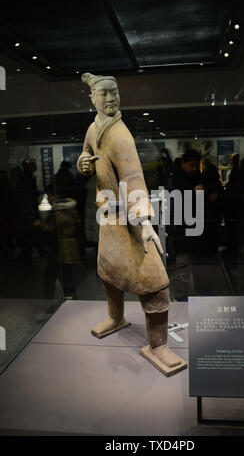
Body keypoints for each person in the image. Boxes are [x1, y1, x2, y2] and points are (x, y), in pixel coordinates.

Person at [77, 72, 186, 376]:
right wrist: (83, 162)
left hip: (131, 218)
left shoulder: (120, 135)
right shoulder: (93, 128)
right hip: (109, 216)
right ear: (92, 98)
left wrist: (145, 222)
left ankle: (158, 344)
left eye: (115, 93)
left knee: (154, 283)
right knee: (109, 271)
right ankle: (116, 317)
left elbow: (133, 179)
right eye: (104, 94)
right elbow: (86, 154)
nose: (110, 99)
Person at [34, 184, 81, 300]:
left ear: (55, 195)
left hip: (59, 249)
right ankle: (71, 298)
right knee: (67, 276)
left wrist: (41, 225)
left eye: (49, 195)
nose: (48, 198)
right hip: (70, 247)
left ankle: (47, 301)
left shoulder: (56, 211)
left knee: (50, 276)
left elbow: (51, 230)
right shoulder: (71, 208)